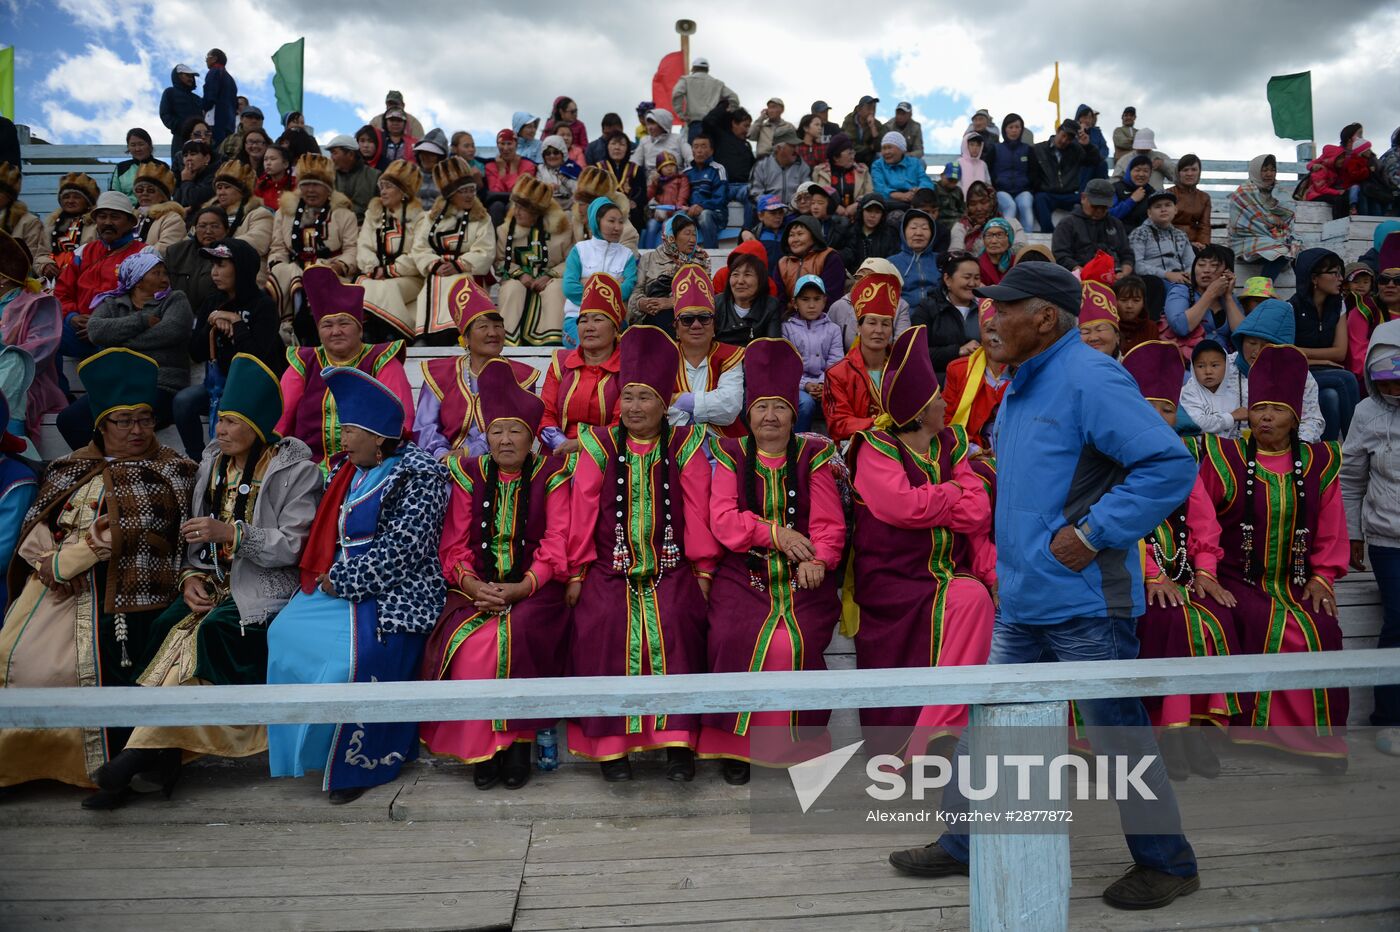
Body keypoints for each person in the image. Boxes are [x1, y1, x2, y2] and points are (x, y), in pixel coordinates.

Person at [889, 261, 1202, 912]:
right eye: (988, 305)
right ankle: (966, 842)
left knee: (1118, 738)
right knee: (990, 723)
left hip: (1089, 603)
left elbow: (1169, 465)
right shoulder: (1026, 382)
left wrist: (1092, 533)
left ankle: (1168, 865)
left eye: (1004, 307)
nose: (989, 317)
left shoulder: (1092, 377)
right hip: (1028, 597)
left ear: (1045, 318)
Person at [95, 353, 322, 803]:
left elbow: (294, 546)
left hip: (264, 587)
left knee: (213, 635)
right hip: (215, 583)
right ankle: (159, 760)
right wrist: (187, 578)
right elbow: (194, 544)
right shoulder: (213, 463)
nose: (219, 429)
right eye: (219, 419)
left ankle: (139, 757)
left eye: (233, 421)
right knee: (164, 627)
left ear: (257, 426)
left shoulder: (297, 470)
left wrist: (234, 534)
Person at [0, 348, 196, 807]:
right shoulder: (67, 468)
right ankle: (20, 766)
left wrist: (71, 558)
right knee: (19, 658)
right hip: (55, 590)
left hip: (133, 593)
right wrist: (50, 563)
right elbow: (35, 528)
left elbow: (138, 536)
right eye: (123, 421)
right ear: (100, 426)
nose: (137, 430)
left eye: (145, 419)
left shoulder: (173, 471)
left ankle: (115, 773)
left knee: (98, 662)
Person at [267, 364, 448, 805]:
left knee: (350, 661)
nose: (342, 439)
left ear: (378, 436)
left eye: (350, 430)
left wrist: (343, 582)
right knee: (284, 633)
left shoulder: (421, 473)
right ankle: (314, 751)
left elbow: (405, 548)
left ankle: (361, 763)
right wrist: (332, 580)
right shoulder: (346, 470)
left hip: (396, 592)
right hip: (341, 585)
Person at [564, 324, 719, 783]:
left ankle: (679, 747)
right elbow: (583, 510)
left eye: (644, 397)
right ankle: (611, 748)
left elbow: (697, 511)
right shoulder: (597, 443)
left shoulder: (687, 444)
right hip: (607, 570)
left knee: (679, 627)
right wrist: (577, 573)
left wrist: (704, 572)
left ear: (664, 402)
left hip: (672, 568)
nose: (634, 407)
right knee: (601, 627)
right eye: (627, 396)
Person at [417, 357, 570, 789]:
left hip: (535, 591)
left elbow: (557, 543)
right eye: (497, 430)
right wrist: (471, 584)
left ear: (531, 439)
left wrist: (523, 586)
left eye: (515, 431)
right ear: (486, 436)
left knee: (516, 637)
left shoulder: (552, 476)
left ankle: (516, 743)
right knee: (471, 646)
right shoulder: (468, 474)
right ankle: (482, 747)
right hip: (473, 590)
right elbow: (454, 545)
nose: (505, 440)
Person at [698, 338, 844, 782]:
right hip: (744, 574)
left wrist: (821, 558)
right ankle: (736, 749)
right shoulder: (731, 454)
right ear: (748, 414)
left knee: (793, 642)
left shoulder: (813, 455)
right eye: (761, 407)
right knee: (732, 635)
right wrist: (776, 534)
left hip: (804, 580)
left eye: (779, 407)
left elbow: (829, 523)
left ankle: (796, 747)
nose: (770, 417)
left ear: (793, 414)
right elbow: (723, 520)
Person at [1197, 344, 1348, 769]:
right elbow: (1199, 519)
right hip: (1236, 580)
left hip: (1298, 581)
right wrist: (1203, 571)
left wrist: (1322, 578)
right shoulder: (1223, 458)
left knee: (1323, 628)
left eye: (1277, 410)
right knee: (1269, 623)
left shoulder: (1320, 462)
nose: (1265, 417)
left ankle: (1319, 743)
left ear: (1295, 417)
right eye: (1259, 408)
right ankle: (1252, 733)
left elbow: (1333, 527)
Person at [847, 324, 995, 756]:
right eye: (935, 399)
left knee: (973, 599)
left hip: (942, 574)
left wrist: (934, 501)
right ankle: (915, 744)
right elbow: (900, 507)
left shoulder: (951, 442)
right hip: (891, 580)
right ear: (917, 410)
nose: (945, 402)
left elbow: (976, 512)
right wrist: (950, 493)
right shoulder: (875, 447)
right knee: (966, 601)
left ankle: (940, 731)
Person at [1119, 340, 1237, 779]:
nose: (1158, 418)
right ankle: (1165, 734)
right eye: (1148, 407)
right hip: (1130, 580)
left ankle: (1197, 731)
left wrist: (1205, 570)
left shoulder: (1184, 458)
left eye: (1167, 409)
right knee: (1168, 620)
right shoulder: (1111, 461)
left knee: (1218, 614)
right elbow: (1119, 529)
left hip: (1184, 574)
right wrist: (1151, 575)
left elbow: (1205, 524)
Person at [55, 247, 193, 451]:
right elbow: (95, 331)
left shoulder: (175, 299)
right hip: (116, 385)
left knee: (121, 421)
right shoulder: (113, 303)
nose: (165, 278)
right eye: (157, 273)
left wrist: (118, 342)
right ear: (138, 280)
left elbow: (170, 331)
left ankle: (119, 467)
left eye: (165, 273)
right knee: (69, 420)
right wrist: (142, 320)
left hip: (161, 384)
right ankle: (107, 467)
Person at [274, 267, 413, 470]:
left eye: (344, 323)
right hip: (306, 468)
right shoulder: (304, 363)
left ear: (360, 328)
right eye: (327, 325)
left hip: (368, 469)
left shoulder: (381, 360)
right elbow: (280, 417)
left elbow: (400, 422)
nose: (336, 331)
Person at [1342, 319, 1400, 750]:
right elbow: (1351, 479)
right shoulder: (1365, 413)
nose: (1394, 390)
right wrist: (1353, 535)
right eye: (1386, 383)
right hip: (1387, 537)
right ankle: (1389, 717)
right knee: (1397, 622)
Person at [178, 238, 284, 460]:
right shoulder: (212, 302)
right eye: (213, 265)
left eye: (221, 265)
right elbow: (196, 353)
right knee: (183, 402)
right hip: (218, 383)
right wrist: (213, 320)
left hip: (255, 388)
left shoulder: (263, 305)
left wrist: (236, 322)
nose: (214, 272)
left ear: (242, 268)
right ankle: (199, 460)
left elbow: (255, 358)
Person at [414, 279, 540, 462]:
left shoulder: (521, 376)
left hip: (499, 463)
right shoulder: (440, 374)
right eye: (483, 327)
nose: (493, 333)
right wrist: (442, 456)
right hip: (442, 463)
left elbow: (516, 428)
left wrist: (466, 453)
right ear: (465, 337)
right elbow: (426, 427)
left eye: (498, 326)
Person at [1179, 299, 1326, 442]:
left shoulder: (1298, 375)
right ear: (1241, 340)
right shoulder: (1221, 365)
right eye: (1251, 342)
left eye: (1265, 345)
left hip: (1277, 451)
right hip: (1222, 449)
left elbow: (1312, 419)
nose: (1256, 351)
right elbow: (1190, 406)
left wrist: (1297, 447)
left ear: (1281, 348)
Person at [267, 154, 359, 344]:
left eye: (316, 185)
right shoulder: (284, 213)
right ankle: (286, 331)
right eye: (306, 184)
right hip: (293, 272)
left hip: (330, 273)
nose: (310, 190)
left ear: (328, 189)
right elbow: (278, 247)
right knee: (280, 276)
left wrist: (339, 266)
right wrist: (279, 265)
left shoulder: (344, 215)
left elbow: (351, 249)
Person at [54, 191, 146, 373]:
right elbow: (62, 294)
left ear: (131, 223)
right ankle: (59, 398)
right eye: (102, 216)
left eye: (115, 217)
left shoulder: (145, 255)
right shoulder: (83, 252)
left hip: (121, 337)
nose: (107, 222)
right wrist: (72, 317)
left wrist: (103, 328)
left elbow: (149, 304)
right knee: (44, 336)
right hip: (79, 331)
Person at [411, 157, 494, 343]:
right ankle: (427, 334)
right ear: (450, 195)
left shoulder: (482, 218)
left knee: (457, 282)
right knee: (433, 282)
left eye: (471, 190)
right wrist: (434, 265)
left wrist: (459, 265)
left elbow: (486, 251)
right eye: (463, 191)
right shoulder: (431, 218)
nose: (469, 195)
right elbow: (419, 247)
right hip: (438, 269)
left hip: (469, 271)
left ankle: (455, 333)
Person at [540, 273, 624, 454]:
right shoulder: (561, 362)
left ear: (615, 328)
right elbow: (545, 414)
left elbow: (623, 423)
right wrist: (561, 443)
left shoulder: (626, 368)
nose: (589, 327)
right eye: (583, 320)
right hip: (557, 452)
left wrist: (582, 445)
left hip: (608, 453)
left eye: (598, 320)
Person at [665, 264, 745, 439]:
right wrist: (705, 407)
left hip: (724, 446)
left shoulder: (730, 356)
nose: (696, 325)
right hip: (675, 444)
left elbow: (729, 407)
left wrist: (678, 400)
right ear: (676, 328)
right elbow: (657, 408)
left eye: (704, 318)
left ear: (713, 325)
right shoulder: (662, 357)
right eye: (687, 320)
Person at [495, 174, 574, 347]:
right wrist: (521, 275)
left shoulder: (562, 230)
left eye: (523, 208)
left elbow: (571, 260)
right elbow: (500, 260)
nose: (517, 212)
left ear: (537, 211)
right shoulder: (505, 230)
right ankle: (506, 342)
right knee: (512, 289)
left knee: (556, 289)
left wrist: (549, 275)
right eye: (516, 206)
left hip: (551, 278)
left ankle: (551, 342)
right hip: (519, 279)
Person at [1289, 248, 1360, 441]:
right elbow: (1288, 356)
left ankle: (1328, 456)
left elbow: (1340, 352)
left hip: (1324, 373)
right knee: (1347, 379)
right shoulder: (1291, 308)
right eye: (1334, 273)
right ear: (1314, 278)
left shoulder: (1338, 306)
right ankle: (1356, 447)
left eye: (1340, 273)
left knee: (1330, 397)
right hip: (1298, 376)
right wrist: (1325, 361)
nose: (1340, 279)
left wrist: (1304, 353)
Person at [0, 231, 65, 437]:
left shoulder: (38, 303)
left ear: (3, 278)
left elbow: (35, 354)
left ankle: (9, 442)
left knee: (13, 361)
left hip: (24, 383)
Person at [352, 159, 425, 343]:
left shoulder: (420, 218)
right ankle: (381, 332)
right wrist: (373, 267)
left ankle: (390, 332)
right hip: (375, 275)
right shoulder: (373, 214)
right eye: (381, 186)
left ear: (403, 192)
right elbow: (364, 246)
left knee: (384, 287)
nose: (382, 191)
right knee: (368, 285)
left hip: (410, 278)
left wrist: (388, 271)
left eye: (389, 187)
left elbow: (418, 254)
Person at [823, 273, 898, 443]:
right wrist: (877, 424)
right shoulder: (838, 373)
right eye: (872, 323)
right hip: (857, 447)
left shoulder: (903, 368)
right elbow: (838, 423)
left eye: (885, 324)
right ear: (858, 327)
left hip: (902, 445)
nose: (879, 330)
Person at [563, 197, 637, 347]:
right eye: (611, 221)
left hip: (614, 321)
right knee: (586, 347)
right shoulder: (579, 250)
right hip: (578, 318)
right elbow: (569, 288)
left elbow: (628, 288)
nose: (617, 227)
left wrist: (589, 283)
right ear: (597, 222)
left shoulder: (627, 255)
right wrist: (613, 285)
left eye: (620, 222)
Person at [942, 299, 1009, 450]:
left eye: (1002, 329)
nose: (995, 337)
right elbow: (946, 419)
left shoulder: (1023, 369)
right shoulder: (958, 370)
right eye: (990, 330)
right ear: (980, 332)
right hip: (972, 455)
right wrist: (972, 450)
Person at [784, 276, 845, 431]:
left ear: (824, 301)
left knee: (840, 402)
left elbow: (836, 364)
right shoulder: (786, 328)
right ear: (795, 302)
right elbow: (787, 367)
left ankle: (836, 447)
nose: (811, 305)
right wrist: (806, 385)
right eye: (805, 299)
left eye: (817, 299)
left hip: (828, 385)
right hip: (796, 386)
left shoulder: (833, 329)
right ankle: (797, 446)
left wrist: (822, 384)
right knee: (805, 403)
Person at [628, 213, 706, 333]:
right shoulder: (649, 259)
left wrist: (671, 303)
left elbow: (705, 297)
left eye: (694, 234)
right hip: (651, 316)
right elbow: (636, 291)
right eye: (687, 233)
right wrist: (642, 304)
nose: (693, 240)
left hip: (687, 319)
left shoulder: (700, 259)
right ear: (672, 236)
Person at [914, 250, 984, 378]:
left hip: (979, 380)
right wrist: (958, 350)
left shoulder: (985, 307)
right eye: (967, 277)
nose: (972, 283)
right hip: (940, 383)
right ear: (947, 279)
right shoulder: (927, 309)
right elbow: (917, 354)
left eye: (977, 278)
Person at [1162, 244, 1243, 353]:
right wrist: (1210, 294)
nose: (1206, 270)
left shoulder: (1229, 298)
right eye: (1201, 264)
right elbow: (1180, 326)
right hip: (1188, 363)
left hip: (1224, 363)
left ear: (1227, 272)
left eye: (1214, 265)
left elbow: (1242, 335)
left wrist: (1228, 297)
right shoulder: (1181, 290)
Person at [1031, 118, 1105, 234]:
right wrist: (1040, 187)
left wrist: (1087, 146)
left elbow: (1096, 161)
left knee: (1088, 201)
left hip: (1070, 194)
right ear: (1057, 131)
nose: (1064, 140)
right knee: (1040, 199)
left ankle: (1088, 235)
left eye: (1069, 138)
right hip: (1048, 193)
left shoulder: (1076, 150)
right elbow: (1033, 174)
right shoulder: (1038, 149)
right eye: (1063, 135)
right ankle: (1050, 233)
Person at [1229, 154, 1296, 282]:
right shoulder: (1244, 192)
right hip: (1246, 239)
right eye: (1264, 170)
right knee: (1281, 252)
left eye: (1272, 170)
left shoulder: (1279, 191)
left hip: (1274, 237)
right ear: (1256, 171)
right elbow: (1239, 224)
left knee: (1294, 249)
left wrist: (1277, 223)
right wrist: (1270, 218)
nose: (1269, 174)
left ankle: (1260, 287)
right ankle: (1260, 289)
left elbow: (1289, 215)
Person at [828, 258, 913, 349]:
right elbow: (831, 346)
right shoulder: (839, 306)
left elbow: (901, 345)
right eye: (859, 277)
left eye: (870, 277)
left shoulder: (900, 306)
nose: (862, 282)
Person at [1051, 179, 1132, 273]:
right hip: (1079, 277)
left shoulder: (1116, 224)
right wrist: (1080, 271)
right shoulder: (1067, 224)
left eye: (1104, 207)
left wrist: (1125, 272)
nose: (1099, 210)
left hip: (1113, 275)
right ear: (1083, 198)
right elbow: (1061, 255)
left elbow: (1127, 254)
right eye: (1095, 206)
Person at [1349, 235, 1400, 384]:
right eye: (1384, 280)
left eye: (1398, 281)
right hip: (1375, 383)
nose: (1390, 285)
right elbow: (1358, 361)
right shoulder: (1364, 311)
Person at [713, 240, 785, 346]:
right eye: (735, 274)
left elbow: (772, 348)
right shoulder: (716, 304)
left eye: (747, 274)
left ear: (761, 279)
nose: (740, 281)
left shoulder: (771, 306)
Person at [209, 160, 274, 271]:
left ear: (242, 191)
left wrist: (219, 248)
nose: (221, 192)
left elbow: (258, 242)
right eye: (219, 188)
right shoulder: (208, 214)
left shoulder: (260, 214)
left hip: (246, 272)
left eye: (227, 187)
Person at [35, 172, 98, 280]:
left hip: (87, 280)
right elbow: (40, 255)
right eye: (66, 197)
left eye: (77, 197)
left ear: (88, 201)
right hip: (54, 283)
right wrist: (45, 266)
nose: (70, 201)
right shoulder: (51, 225)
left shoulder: (96, 225)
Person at [776, 215, 845, 305]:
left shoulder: (830, 257)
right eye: (791, 235)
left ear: (814, 235)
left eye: (800, 234)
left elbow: (832, 296)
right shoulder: (783, 263)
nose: (795, 240)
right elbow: (780, 300)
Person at [1130, 192, 1195, 281]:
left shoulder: (1181, 235)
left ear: (1175, 210)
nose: (1163, 209)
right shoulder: (1140, 233)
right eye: (1158, 206)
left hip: (1180, 279)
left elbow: (1191, 263)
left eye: (1168, 205)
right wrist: (1167, 275)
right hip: (1153, 281)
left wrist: (1187, 275)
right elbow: (1137, 265)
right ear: (1149, 213)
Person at [989, 113, 1035, 232]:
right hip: (1001, 191)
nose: (1014, 130)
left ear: (1021, 129)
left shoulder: (1028, 149)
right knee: (1010, 206)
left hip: (1023, 191)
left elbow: (1034, 172)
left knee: (1025, 205)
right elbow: (988, 170)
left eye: (1017, 127)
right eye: (1011, 127)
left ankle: (1026, 243)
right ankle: (1005, 237)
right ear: (1005, 129)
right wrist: (995, 187)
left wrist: (1030, 187)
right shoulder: (996, 149)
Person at [671, 58, 739, 139]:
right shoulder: (717, 83)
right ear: (707, 69)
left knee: (696, 150)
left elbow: (676, 93)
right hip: (713, 125)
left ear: (693, 68)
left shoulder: (686, 80)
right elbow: (734, 97)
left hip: (695, 123)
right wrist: (730, 111)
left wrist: (681, 114)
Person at [949, 182, 1023, 254]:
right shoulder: (961, 227)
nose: (979, 208)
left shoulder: (1012, 224)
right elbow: (955, 255)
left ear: (993, 202)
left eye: (984, 202)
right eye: (972, 204)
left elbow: (1021, 251)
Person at [130, 162, 186, 256]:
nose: (144, 193)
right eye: (139, 190)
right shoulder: (130, 217)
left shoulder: (172, 218)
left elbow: (167, 248)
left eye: (150, 190)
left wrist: (133, 257)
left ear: (162, 196)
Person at [812, 135, 872, 222]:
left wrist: (857, 205)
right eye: (849, 153)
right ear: (836, 157)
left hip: (857, 219)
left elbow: (870, 194)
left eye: (853, 152)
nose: (853, 157)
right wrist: (834, 206)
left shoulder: (862, 171)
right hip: (829, 220)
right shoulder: (821, 172)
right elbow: (818, 197)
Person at [891, 209, 943, 309]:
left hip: (938, 315)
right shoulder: (891, 263)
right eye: (913, 227)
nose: (919, 233)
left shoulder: (941, 261)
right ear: (903, 232)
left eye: (924, 228)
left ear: (932, 233)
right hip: (904, 317)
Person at [682, 135, 727, 249]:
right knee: (675, 218)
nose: (699, 150)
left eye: (703, 146)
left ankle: (711, 255)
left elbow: (720, 198)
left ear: (711, 151)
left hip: (715, 214)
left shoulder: (718, 169)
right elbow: (681, 196)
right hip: (691, 213)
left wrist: (701, 206)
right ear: (692, 150)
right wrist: (684, 207)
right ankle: (676, 260)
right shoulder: (686, 173)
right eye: (696, 147)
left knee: (704, 215)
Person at [750, 130, 810, 209]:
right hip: (768, 212)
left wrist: (792, 208)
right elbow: (755, 194)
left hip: (794, 212)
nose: (796, 150)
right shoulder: (762, 165)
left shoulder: (802, 166)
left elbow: (807, 193)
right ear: (779, 148)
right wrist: (773, 207)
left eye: (797, 146)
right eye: (793, 146)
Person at [327, 135, 380, 224]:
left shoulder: (375, 176)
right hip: (334, 229)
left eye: (335, 153)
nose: (331, 158)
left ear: (350, 155)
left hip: (364, 229)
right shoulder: (328, 177)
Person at [871, 131, 933, 207]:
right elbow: (879, 188)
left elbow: (926, 181)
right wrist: (900, 195)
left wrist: (919, 190)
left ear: (902, 149)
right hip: (890, 203)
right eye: (884, 148)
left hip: (914, 201)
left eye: (890, 147)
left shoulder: (915, 163)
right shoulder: (877, 165)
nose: (886, 152)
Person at [642, 152, 690, 249]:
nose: (669, 168)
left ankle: (666, 252)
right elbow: (648, 197)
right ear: (659, 169)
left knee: (667, 225)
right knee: (651, 225)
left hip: (676, 212)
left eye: (672, 165)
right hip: (660, 214)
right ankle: (648, 252)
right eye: (665, 166)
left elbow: (683, 196)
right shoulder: (658, 182)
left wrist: (674, 210)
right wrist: (653, 184)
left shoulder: (681, 179)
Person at [631, 109, 692, 184]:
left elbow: (691, 158)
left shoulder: (678, 139)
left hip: (677, 183)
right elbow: (634, 163)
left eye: (653, 124)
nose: (649, 128)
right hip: (653, 185)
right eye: (648, 124)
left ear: (663, 124)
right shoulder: (644, 141)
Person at [1168, 154, 1212, 249]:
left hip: (1196, 243)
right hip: (1170, 242)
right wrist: (1186, 243)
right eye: (1185, 170)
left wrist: (1203, 244)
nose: (1190, 173)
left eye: (1194, 169)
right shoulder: (1168, 194)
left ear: (1199, 172)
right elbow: (1163, 224)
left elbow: (1204, 226)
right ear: (1178, 173)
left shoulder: (1204, 197)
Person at [160, 64, 203, 159]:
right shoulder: (170, 92)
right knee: (180, 168)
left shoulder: (198, 99)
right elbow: (165, 114)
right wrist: (181, 128)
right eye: (187, 75)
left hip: (199, 139)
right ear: (178, 76)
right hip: (180, 139)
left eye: (192, 76)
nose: (191, 78)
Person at [108, 129, 161, 205]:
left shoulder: (161, 167)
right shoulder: (121, 168)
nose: (137, 149)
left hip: (156, 212)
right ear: (128, 147)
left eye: (141, 144)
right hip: (127, 212)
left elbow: (166, 196)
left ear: (149, 145)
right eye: (133, 145)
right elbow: (114, 196)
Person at [1111, 128, 1177, 190]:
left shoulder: (1161, 157)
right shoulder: (1124, 160)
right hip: (1131, 198)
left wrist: (1164, 165)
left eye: (1146, 147)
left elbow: (1177, 178)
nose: (1143, 149)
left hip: (1156, 199)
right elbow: (1114, 182)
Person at [202, 49, 238, 146]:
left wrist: (203, 108)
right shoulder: (230, 79)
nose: (206, 60)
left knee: (214, 152)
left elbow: (210, 96)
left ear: (214, 59)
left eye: (207, 57)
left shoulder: (214, 72)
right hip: (230, 124)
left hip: (215, 121)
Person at [1111, 155, 1157, 230]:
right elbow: (1110, 215)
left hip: (1144, 236)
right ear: (1129, 171)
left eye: (1146, 171)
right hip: (1118, 234)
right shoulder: (1115, 188)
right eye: (1137, 170)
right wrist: (1131, 200)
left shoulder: (1152, 193)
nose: (1141, 174)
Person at [1078, 279, 1122, 357]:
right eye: (1085, 332)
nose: (1093, 338)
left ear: (1117, 337)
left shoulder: (1130, 367)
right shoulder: (1066, 368)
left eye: (1100, 329)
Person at [840, 95, 883, 166]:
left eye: (874, 109)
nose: (872, 112)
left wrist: (872, 127)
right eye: (869, 108)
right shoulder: (849, 120)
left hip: (869, 158)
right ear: (859, 110)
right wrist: (869, 148)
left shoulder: (877, 124)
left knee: (879, 156)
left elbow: (878, 148)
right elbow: (849, 143)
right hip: (852, 155)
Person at [254, 144, 295, 210]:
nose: (268, 163)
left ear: (285, 164)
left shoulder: (295, 185)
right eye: (265, 159)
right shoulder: (260, 185)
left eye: (272, 159)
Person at [957, 132, 991, 196]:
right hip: (963, 201)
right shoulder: (959, 163)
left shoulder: (983, 164)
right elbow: (956, 184)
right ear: (966, 145)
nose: (975, 148)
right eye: (972, 145)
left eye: (978, 145)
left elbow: (988, 183)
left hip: (981, 201)